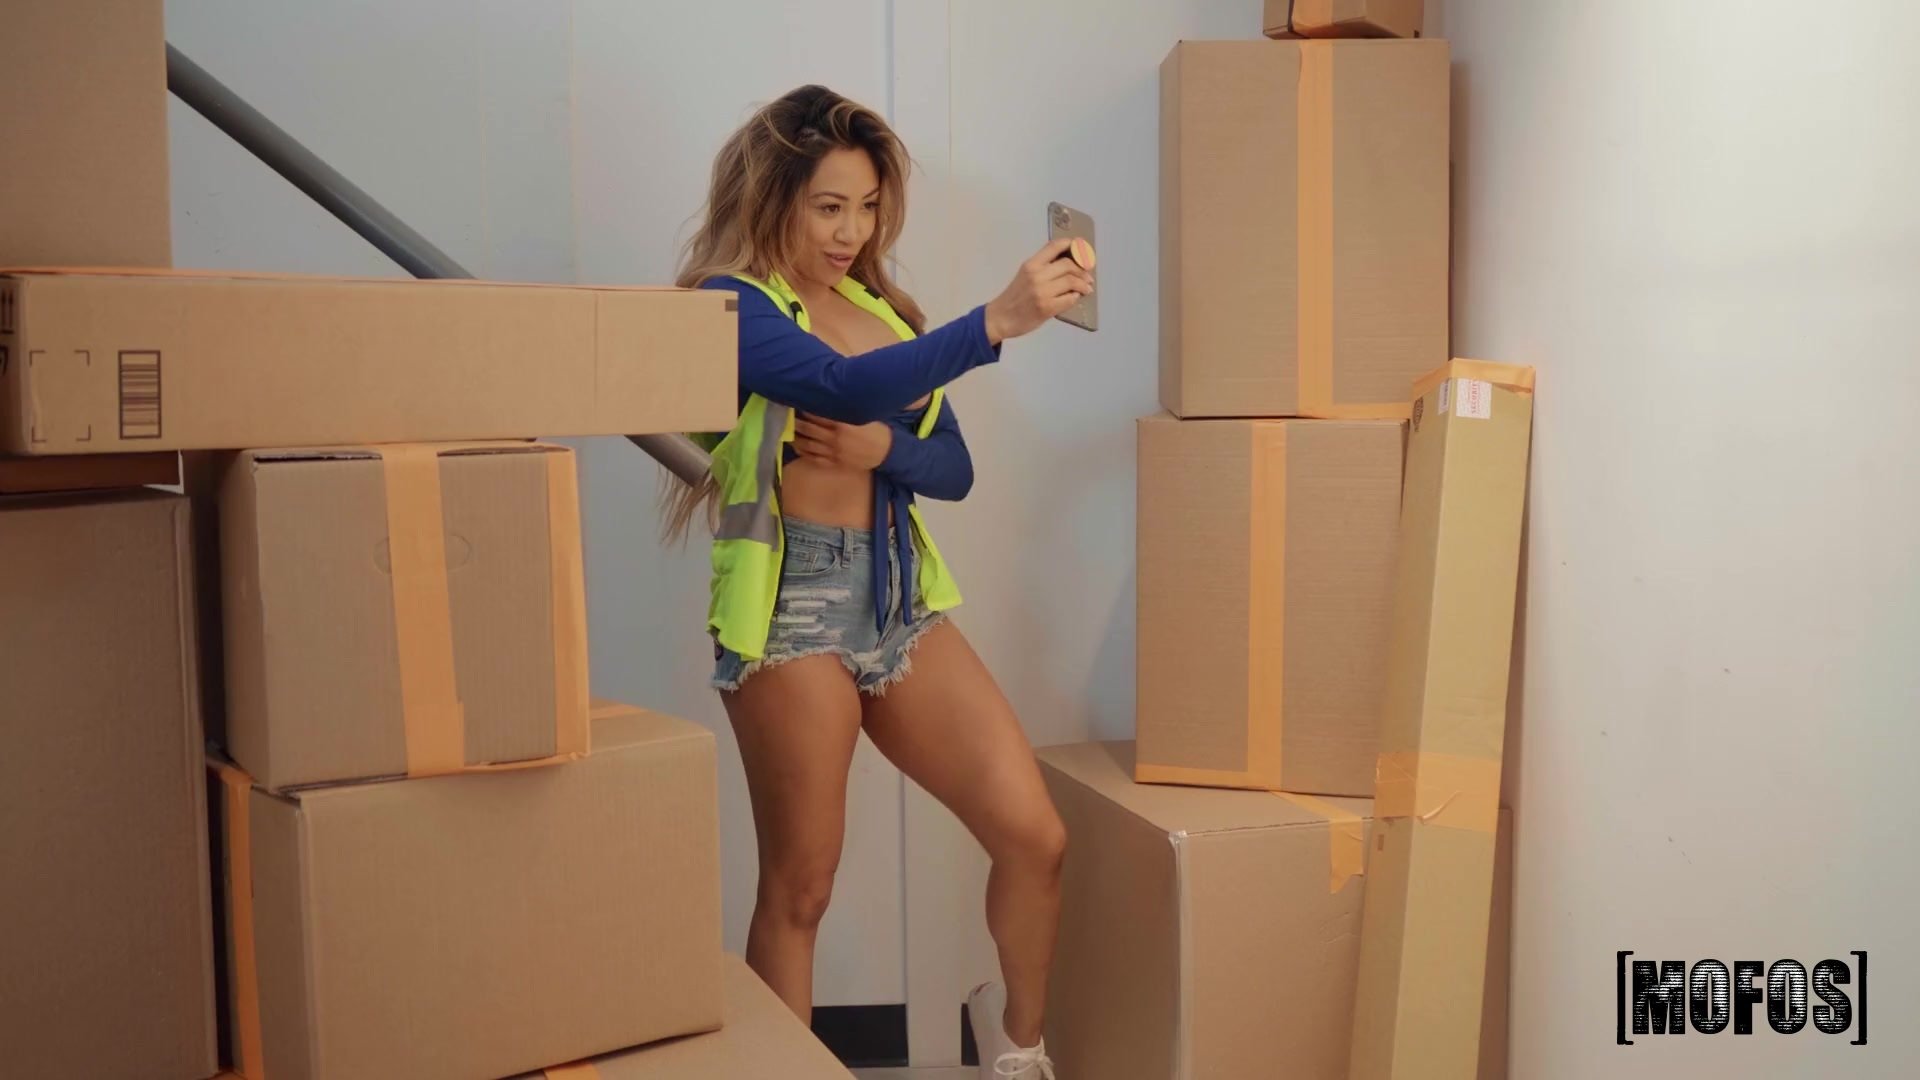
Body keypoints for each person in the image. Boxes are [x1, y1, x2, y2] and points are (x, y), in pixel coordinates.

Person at [658, 84, 1092, 1080]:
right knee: (802, 886)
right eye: (828, 208)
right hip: (791, 608)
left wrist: (882, 449)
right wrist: (997, 320)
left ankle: (1016, 1046)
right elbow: (835, 384)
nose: (851, 233)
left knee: (1035, 836)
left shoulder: (880, 312)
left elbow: (954, 469)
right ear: (774, 198)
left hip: (899, 602)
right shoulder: (729, 303)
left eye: (865, 207)